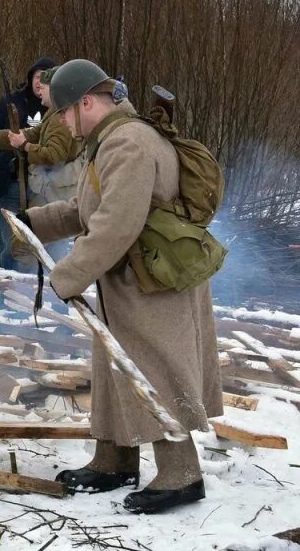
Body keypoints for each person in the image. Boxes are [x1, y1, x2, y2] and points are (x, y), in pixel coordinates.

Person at [21, 59, 221, 514]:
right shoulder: (111, 139)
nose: (62, 125)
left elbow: (116, 223)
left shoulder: (128, 142)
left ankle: (181, 474)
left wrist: (68, 274)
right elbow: (93, 205)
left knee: (157, 369)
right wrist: (37, 222)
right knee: (118, 366)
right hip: (130, 276)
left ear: (85, 102)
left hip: (154, 281)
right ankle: (114, 460)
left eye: (64, 113)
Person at [0, 66, 79, 261]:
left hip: (54, 191)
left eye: (44, 87)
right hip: (48, 190)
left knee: (47, 249)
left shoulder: (58, 119)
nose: (40, 90)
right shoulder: (52, 113)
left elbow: (55, 154)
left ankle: (46, 288)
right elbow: (30, 133)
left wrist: (26, 147)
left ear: (54, 90)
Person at [0, 57, 55, 270]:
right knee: (9, 241)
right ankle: (7, 291)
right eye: (37, 76)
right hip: (12, 182)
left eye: (45, 78)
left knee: (42, 242)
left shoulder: (58, 110)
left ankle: (36, 291)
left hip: (44, 186)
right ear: (31, 77)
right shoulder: (10, 103)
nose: (40, 82)